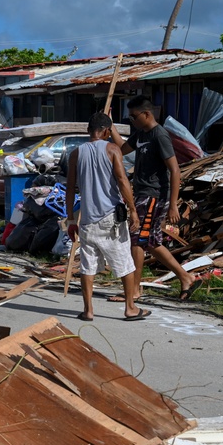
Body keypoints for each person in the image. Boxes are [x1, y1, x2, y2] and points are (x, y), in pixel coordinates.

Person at [110, 96, 198, 300]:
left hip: (153, 195)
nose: (132, 120)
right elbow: (121, 149)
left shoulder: (160, 135)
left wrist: (173, 205)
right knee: (150, 242)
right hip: (142, 193)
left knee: (137, 241)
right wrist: (111, 126)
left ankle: (134, 290)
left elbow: (175, 170)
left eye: (134, 116)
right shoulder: (141, 134)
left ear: (147, 114)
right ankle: (186, 277)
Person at [66, 112, 147, 321]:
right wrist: (133, 211)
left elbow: (69, 189)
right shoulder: (112, 150)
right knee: (124, 263)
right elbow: (122, 180)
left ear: (88, 131)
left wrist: (70, 220)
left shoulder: (76, 153)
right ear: (106, 131)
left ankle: (88, 310)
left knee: (88, 265)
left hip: (87, 221)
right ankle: (130, 308)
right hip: (110, 217)